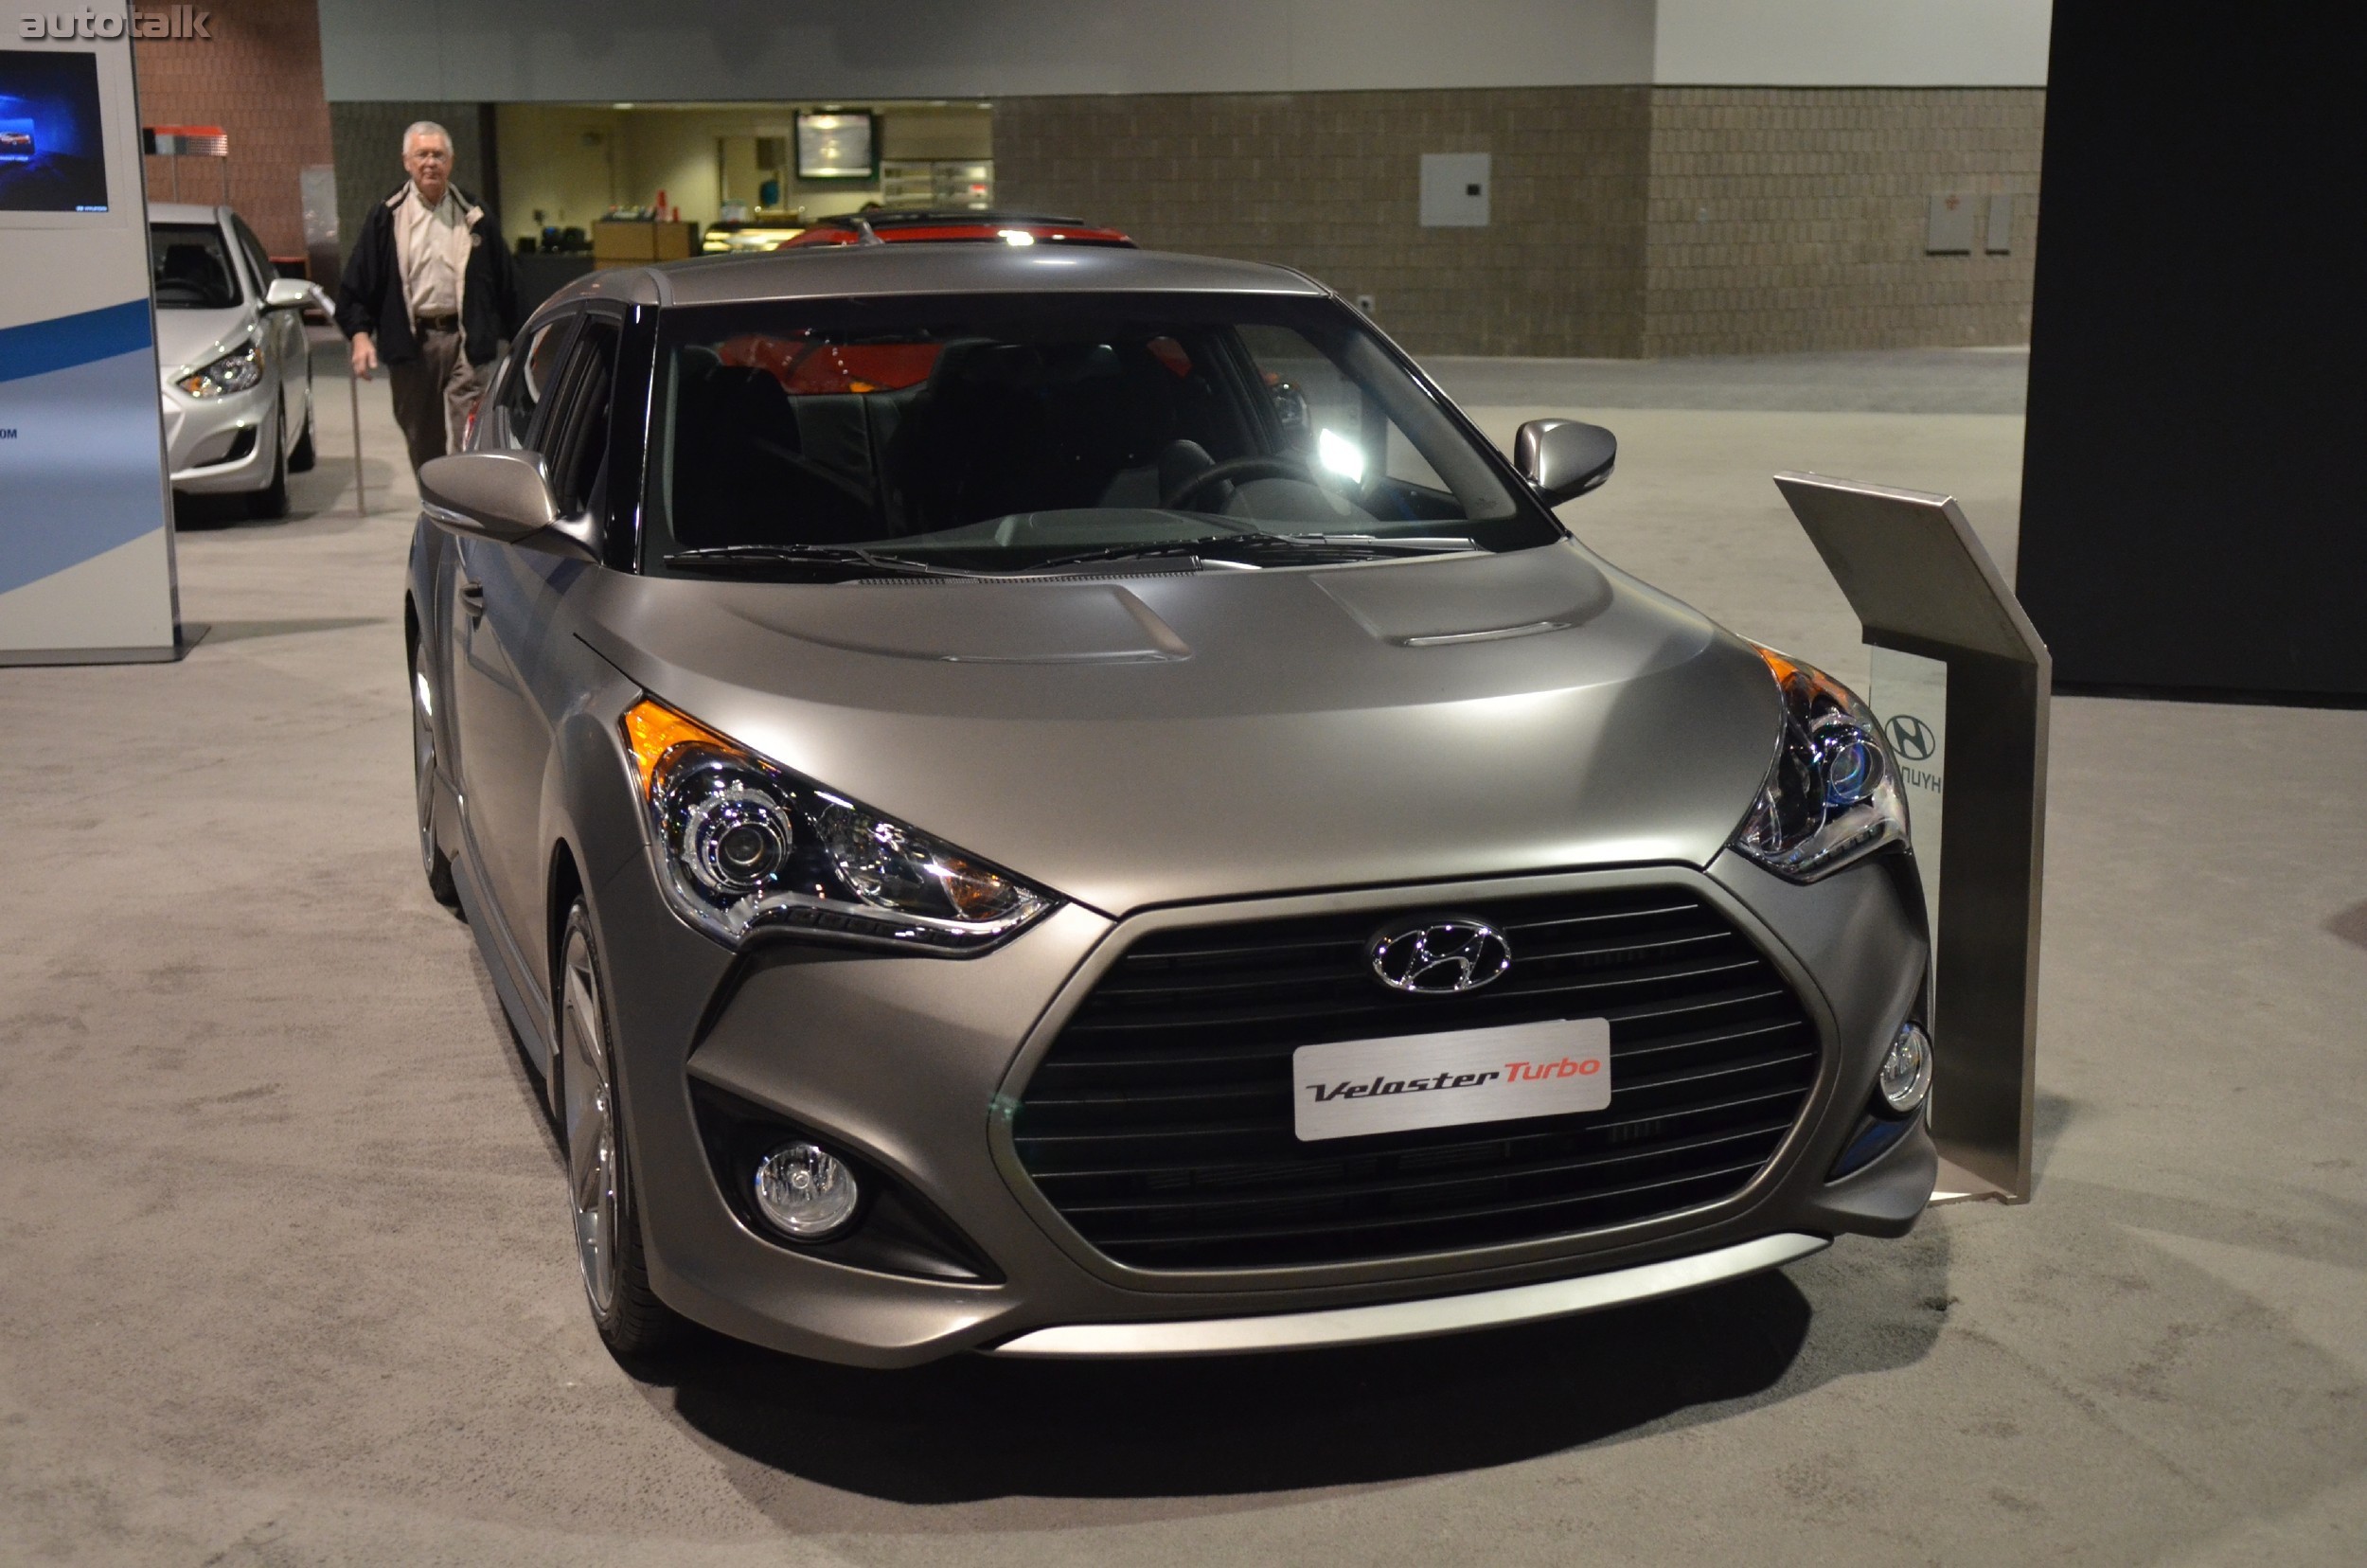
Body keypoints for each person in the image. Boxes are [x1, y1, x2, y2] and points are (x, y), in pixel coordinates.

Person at [335, 121, 522, 472]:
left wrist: (526, 340)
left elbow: (508, 284)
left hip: (466, 344)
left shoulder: (474, 215)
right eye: (422, 154)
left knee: (471, 440)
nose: (430, 162)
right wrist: (360, 336)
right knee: (424, 443)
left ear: (451, 162)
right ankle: (438, 516)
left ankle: (469, 516)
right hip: (412, 345)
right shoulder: (386, 216)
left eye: (438, 155)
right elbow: (356, 288)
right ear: (407, 161)